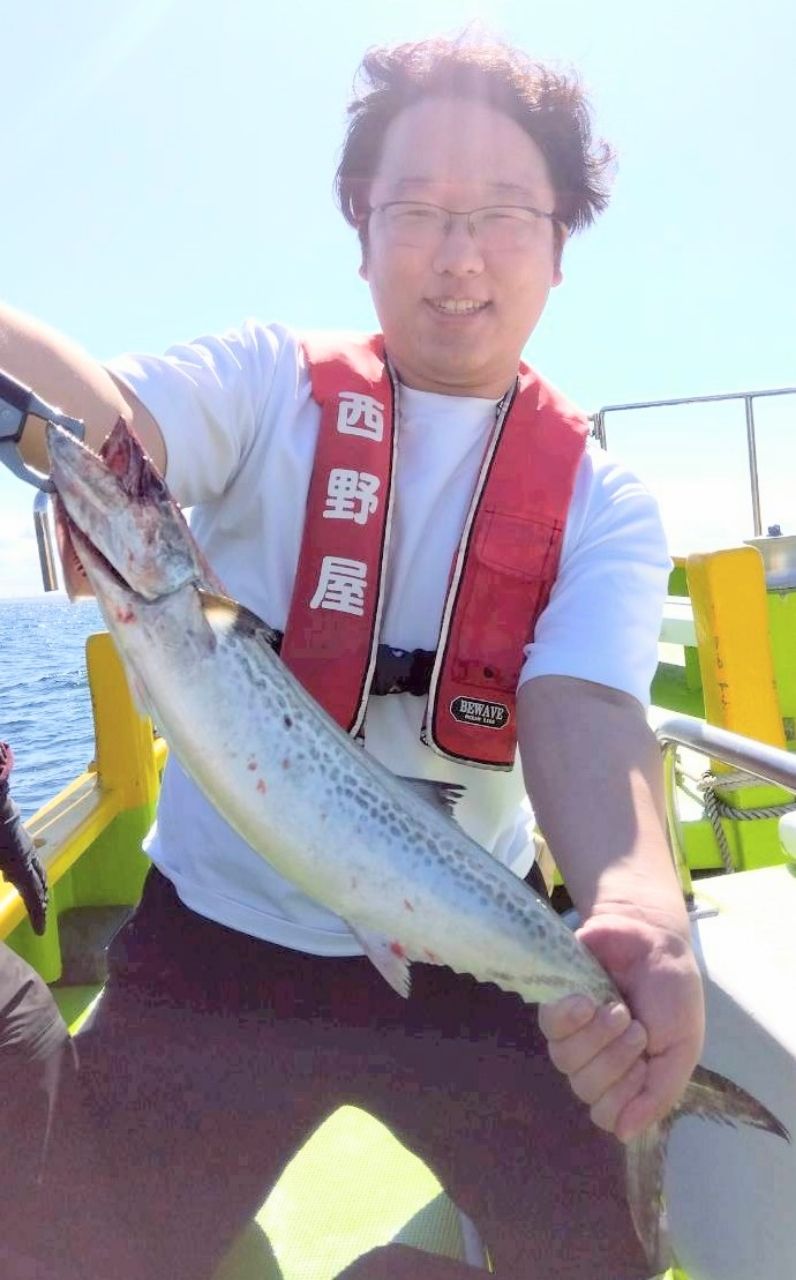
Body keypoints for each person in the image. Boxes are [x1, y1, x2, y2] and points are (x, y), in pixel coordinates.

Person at [0, 34, 704, 1280]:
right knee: (83, 1252)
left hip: (469, 944)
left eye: (502, 213)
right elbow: (106, 431)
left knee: (595, 1255)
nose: (458, 254)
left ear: (558, 243)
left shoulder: (603, 502)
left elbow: (585, 707)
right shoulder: (266, 383)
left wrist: (641, 901)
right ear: (361, 231)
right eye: (416, 210)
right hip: (215, 941)